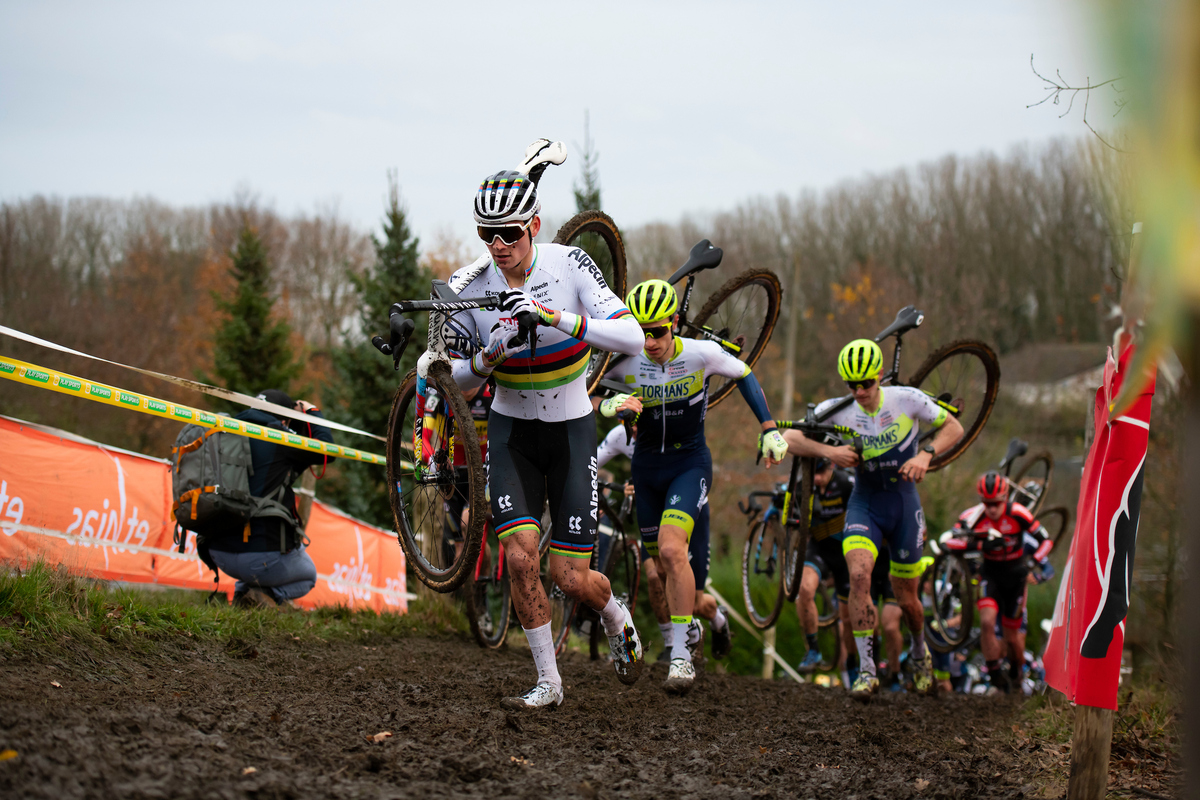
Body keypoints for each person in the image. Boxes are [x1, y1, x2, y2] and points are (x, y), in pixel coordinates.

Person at [447, 152, 647, 710]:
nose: (497, 244)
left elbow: (630, 336)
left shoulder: (571, 266)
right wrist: (485, 359)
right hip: (511, 432)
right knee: (518, 556)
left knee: (571, 578)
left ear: (533, 225)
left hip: (571, 429)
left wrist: (555, 318)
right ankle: (549, 683)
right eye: (486, 233)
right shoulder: (472, 286)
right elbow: (455, 385)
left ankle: (614, 612)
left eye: (508, 232)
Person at [597, 278, 786, 694]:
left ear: (676, 323)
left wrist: (769, 428)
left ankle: (680, 658)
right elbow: (588, 392)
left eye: (659, 331)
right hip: (646, 470)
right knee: (660, 569)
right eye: (641, 331)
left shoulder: (701, 354)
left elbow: (744, 374)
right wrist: (612, 405)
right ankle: (698, 629)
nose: (650, 341)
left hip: (689, 463)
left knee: (670, 549)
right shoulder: (627, 361)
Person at [773, 338, 963, 696]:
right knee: (859, 575)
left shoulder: (906, 398)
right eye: (852, 385)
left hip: (904, 504)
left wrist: (926, 456)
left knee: (908, 601)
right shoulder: (840, 408)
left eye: (866, 384)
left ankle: (919, 652)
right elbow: (789, 438)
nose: (859, 391)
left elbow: (954, 427)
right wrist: (830, 450)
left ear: (879, 377)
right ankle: (867, 670)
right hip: (866, 502)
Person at [597, 423, 731, 667]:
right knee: (656, 576)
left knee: (696, 602)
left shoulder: (671, 429)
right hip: (654, 511)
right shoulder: (619, 435)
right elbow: (589, 465)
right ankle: (673, 645)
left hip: (691, 511)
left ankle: (718, 620)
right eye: (630, 423)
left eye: (641, 421)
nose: (636, 429)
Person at [206, 389, 334, 608]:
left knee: (254, 557)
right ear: (285, 419)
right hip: (260, 556)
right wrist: (312, 412)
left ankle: (242, 595)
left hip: (217, 551)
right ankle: (266, 595)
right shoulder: (282, 438)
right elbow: (327, 450)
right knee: (307, 576)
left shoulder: (227, 429)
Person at [946, 471, 1052, 693]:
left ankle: (1016, 672)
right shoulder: (974, 516)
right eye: (986, 503)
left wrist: (1032, 562)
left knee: (1013, 639)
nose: (991, 509)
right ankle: (994, 672)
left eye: (995, 503)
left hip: (1016, 578)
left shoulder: (1019, 514)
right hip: (990, 575)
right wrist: (979, 547)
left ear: (1005, 498)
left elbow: (1046, 541)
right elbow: (950, 542)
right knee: (986, 622)